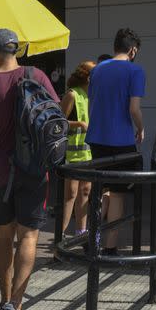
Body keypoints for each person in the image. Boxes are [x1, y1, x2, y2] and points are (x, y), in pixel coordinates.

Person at [0, 28, 59, 310]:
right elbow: (54, 115)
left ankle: (3, 300)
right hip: (33, 168)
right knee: (29, 236)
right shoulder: (36, 76)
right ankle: (15, 306)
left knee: (3, 235)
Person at [85, 28, 146, 255]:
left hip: (96, 137)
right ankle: (110, 247)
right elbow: (134, 108)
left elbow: (94, 101)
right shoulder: (135, 71)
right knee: (119, 193)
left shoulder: (98, 70)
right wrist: (141, 128)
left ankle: (93, 240)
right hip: (121, 139)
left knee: (100, 189)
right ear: (132, 50)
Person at [59, 61, 96, 236]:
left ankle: (81, 233)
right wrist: (79, 123)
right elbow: (58, 122)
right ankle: (61, 236)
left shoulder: (92, 95)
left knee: (85, 192)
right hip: (72, 154)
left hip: (88, 153)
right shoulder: (72, 95)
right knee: (70, 194)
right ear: (88, 78)